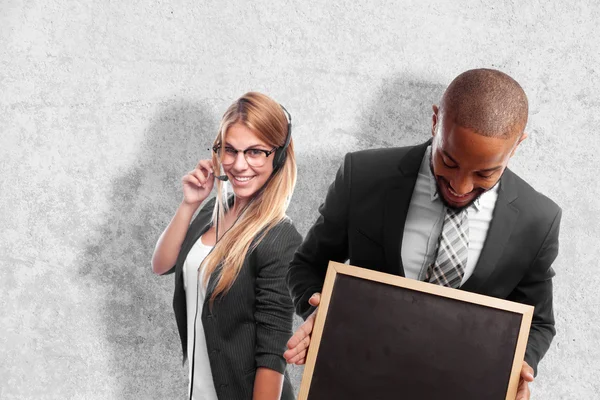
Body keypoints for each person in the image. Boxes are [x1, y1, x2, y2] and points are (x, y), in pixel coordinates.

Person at [284, 69, 561, 400]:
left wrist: (519, 365)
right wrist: (321, 311)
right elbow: (306, 266)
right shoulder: (364, 177)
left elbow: (539, 323)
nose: (460, 186)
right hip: (351, 384)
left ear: (517, 146)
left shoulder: (538, 220)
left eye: (484, 173)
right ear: (435, 121)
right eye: (449, 160)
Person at [152, 92, 302, 400]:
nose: (238, 164)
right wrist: (189, 204)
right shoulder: (213, 212)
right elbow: (162, 264)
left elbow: (272, 354)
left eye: (255, 152)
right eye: (229, 150)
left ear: (279, 155)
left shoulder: (279, 238)